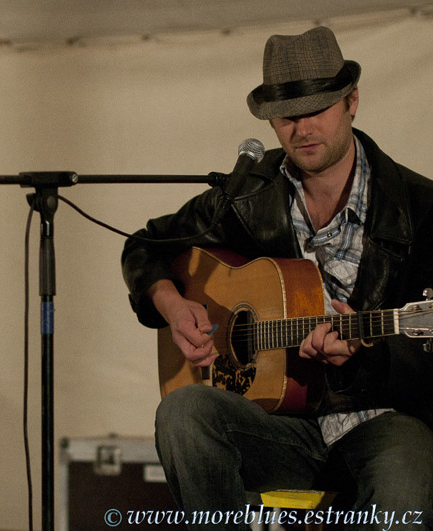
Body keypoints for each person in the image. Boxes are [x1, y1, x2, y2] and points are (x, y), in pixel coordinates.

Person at [122, 26, 433, 530]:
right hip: (280, 427)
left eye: (317, 110)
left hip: (383, 425)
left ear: (352, 101)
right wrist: (172, 304)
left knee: (408, 458)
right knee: (184, 411)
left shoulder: (420, 210)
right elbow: (145, 246)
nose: (301, 128)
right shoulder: (248, 197)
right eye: (287, 116)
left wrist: (367, 358)